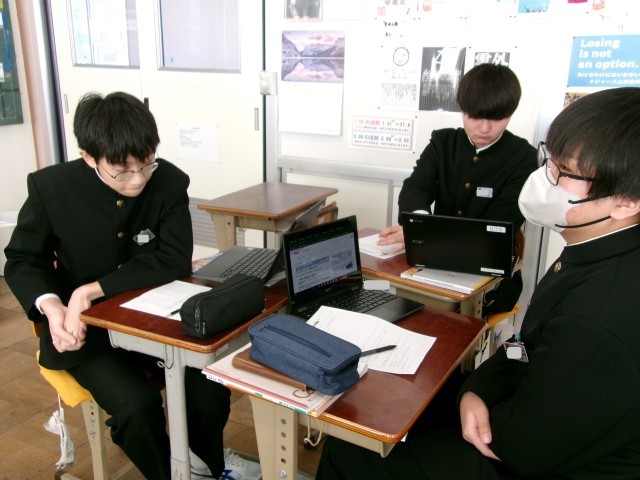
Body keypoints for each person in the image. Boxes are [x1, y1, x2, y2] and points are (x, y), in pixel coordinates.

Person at [316, 86, 640, 479]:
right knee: (385, 407)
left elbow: (525, 446)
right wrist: (477, 389)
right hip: (525, 409)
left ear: (628, 201)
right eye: (550, 162)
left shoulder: (600, 316)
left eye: (564, 172)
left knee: (354, 450)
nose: (547, 179)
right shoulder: (593, 251)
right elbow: (524, 346)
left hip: (530, 456)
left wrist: (475, 399)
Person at [4, 92, 260, 480]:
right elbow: (23, 258)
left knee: (209, 387)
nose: (138, 179)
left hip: (158, 321)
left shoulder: (169, 181)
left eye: (146, 164)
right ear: (88, 157)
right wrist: (54, 307)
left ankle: (204, 463)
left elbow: (173, 258)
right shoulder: (52, 188)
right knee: (136, 408)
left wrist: (89, 289)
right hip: (87, 333)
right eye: (122, 171)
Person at [378, 63, 538, 314]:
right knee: (386, 295)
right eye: (474, 116)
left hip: (488, 276)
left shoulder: (523, 157)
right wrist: (418, 224)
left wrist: (426, 236)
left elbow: (496, 227)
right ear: (462, 110)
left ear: (510, 114)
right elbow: (415, 188)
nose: (484, 128)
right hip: (430, 265)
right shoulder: (443, 142)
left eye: (497, 118)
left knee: (435, 314)